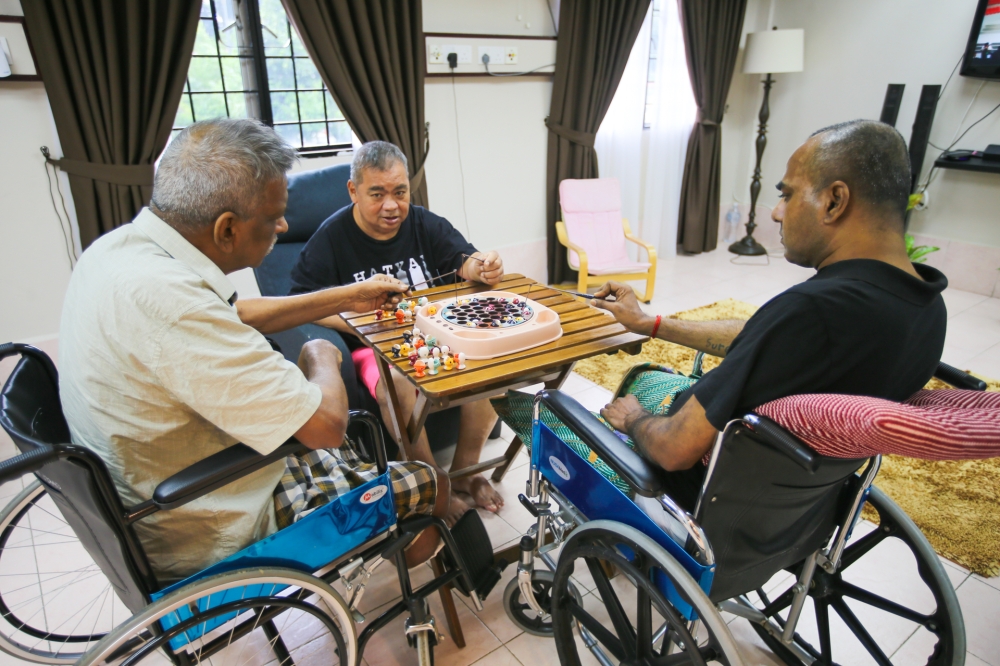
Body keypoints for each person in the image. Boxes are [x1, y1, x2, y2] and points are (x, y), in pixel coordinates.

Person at [59, 119, 450, 579]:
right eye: (274, 217)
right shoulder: (174, 307)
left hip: (155, 489)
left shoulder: (120, 251)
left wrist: (344, 296)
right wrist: (320, 353)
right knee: (431, 481)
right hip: (209, 520)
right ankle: (398, 566)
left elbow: (236, 312)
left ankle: (378, 541)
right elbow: (325, 427)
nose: (284, 225)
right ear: (227, 229)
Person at [493, 119, 948, 510]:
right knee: (642, 377)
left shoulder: (810, 312)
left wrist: (632, 420)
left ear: (834, 201)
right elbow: (760, 337)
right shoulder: (925, 308)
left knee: (517, 401)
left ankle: (604, 515)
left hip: (690, 500)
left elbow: (673, 450)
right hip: (791, 507)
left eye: (787, 196)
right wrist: (651, 324)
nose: (775, 212)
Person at [289, 141, 506, 521]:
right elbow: (301, 304)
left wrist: (481, 266)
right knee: (398, 381)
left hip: (435, 337)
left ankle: (466, 472)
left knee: (492, 357)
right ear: (354, 190)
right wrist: (360, 323)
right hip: (372, 349)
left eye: (400, 192)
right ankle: (434, 484)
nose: (392, 206)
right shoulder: (332, 237)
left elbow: (464, 261)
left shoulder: (423, 222)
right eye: (377, 194)